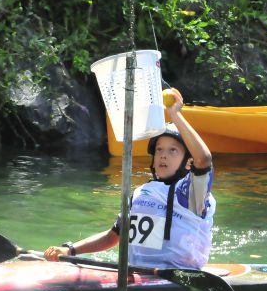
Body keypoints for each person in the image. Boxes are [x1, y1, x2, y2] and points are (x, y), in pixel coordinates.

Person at [44, 87, 216, 269]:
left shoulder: (191, 193)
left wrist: (175, 115)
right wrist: (70, 250)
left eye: (172, 150)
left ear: (188, 162)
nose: (163, 156)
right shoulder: (141, 193)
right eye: (159, 150)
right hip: (138, 276)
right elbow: (114, 236)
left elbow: (203, 159)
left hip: (179, 275)